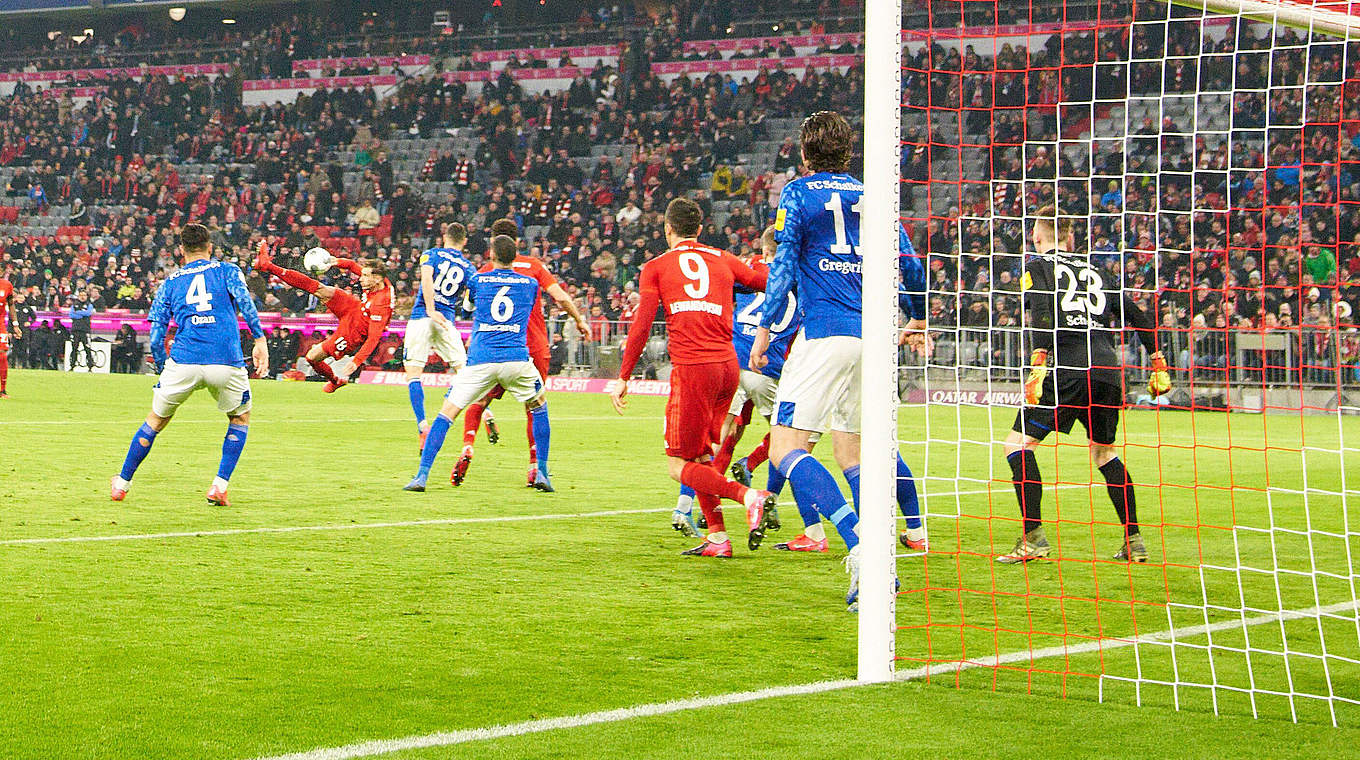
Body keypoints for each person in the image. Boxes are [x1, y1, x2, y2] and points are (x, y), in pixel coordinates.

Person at [749, 110, 931, 609]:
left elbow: (784, 264)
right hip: (873, 337)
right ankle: (878, 561)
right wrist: (915, 317)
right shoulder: (875, 197)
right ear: (848, 152)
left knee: (786, 447)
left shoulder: (797, 193)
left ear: (805, 155)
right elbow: (911, 265)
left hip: (825, 332)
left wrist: (764, 328)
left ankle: (861, 545)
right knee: (855, 453)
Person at [998, 204, 1170, 564]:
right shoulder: (1098, 271)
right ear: (1071, 236)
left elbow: (1043, 307)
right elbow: (1138, 316)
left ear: (1037, 236)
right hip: (1108, 369)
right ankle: (1134, 541)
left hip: (1067, 368)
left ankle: (1032, 539)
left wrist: (1038, 362)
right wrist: (1157, 361)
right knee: (1105, 453)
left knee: (1016, 446)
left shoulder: (1037, 266)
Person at [611, 197, 777, 558]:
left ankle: (751, 497)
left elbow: (641, 324)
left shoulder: (656, 267)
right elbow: (764, 280)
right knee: (700, 456)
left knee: (678, 465)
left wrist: (624, 375)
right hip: (728, 369)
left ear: (667, 229)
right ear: (700, 229)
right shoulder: (724, 259)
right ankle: (717, 538)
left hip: (693, 371)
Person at [110, 223, 268, 506]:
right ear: (210, 247)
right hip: (226, 360)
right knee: (240, 418)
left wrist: (162, 367)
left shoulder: (170, 283)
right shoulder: (228, 271)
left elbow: (157, 333)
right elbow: (246, 302)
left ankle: (122, 483)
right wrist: (259, 340)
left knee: (156, 421)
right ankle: (219, 486)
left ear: (180, 251)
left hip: (184, 360)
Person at [403, 235, 555, 493]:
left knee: (447, 413)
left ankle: (421, 476)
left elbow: (468, 306)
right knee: (539, 406)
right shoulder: (530, 284)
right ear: (515, 257)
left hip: (481, 360)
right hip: (516, 360)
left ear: (491, 256)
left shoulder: (477, 280)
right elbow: (527, 309)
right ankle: (541, 471)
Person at [454, 218, 591, 487]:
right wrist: (579, 319)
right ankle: (535, 468)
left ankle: (468, 445)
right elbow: (560, 297)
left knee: (479, 402)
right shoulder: (534, 266)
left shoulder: (485, 270)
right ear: (517, 243)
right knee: (535, 406)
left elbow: (470, 308)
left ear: (493, 245)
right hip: (532, 344)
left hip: (494, 346)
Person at [254, 242, 394, 392]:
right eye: (363, 274)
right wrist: (336, 261)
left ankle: (335, 380)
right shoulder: (377, 280)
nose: (360, 278)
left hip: (356, 330)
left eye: (365, 276)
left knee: (312, 357)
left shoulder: (381, 304)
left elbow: (373, 338)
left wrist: (356, 362)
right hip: (355, 308)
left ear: (377, 279)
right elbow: (353, 266)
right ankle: (268, 266)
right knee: (319, 288)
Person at [404, 219, 477, 449]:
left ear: (444, 236)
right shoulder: (469, 268)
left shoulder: (431, 254)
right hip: (447, 321)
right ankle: (485, 414)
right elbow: (470, 301)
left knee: (414, 373)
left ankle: (423, 425)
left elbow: (426, 279)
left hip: (422, 317)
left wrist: (430, 309)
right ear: (464, 242)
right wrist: (464, 311)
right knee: (465, 373)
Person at [68, 290, 95, 370]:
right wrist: (81, 314)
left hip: (85, 330)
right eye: (81, 295)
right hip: (75, 330)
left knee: (87, 348)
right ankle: (72, 366)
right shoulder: (74, 305)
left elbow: (88, 313)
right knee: (74, 348)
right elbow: (71, 315)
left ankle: (90, 366)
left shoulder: (89, 305)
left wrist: (78, 312)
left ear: (87, 296)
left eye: (84, 295)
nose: (82, 297)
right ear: (78, 296)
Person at [0, 275, 14, 397]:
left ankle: (3, 390)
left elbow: (11, 304)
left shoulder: (7, 285)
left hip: (0, 324)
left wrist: (15, 324)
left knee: (3, 355)